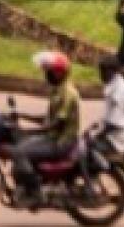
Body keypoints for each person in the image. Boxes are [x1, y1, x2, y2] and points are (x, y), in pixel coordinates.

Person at [11, 50, 80, 207]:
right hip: (54, 137)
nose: (47, 75)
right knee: (21, 144)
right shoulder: (58, 90)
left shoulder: (67, 93)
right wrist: (21, 115)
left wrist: (31, 131)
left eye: (50, 72)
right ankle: (26, 185)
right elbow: (47, 119)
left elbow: (57, 124)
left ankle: (35, 191)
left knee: (19, 151)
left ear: (59, 73)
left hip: (62, 142)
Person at [95, 55, 124, 158]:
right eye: (101, 71)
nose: (102, 75)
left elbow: (116, 121)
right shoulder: (116, 85)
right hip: (116, 135)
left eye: (104, 72)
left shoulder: (118, 90)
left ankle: (89, 174)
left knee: (84, 151)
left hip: (117, 139)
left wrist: (99, 135)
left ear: (113, 71)